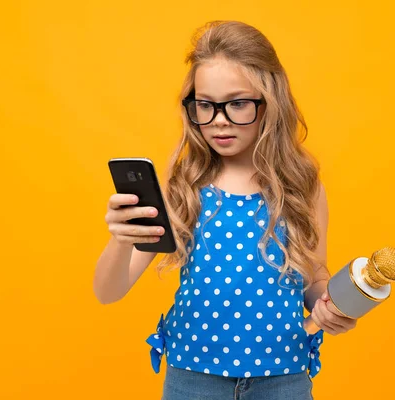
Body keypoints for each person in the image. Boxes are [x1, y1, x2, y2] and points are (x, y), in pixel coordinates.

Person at [94, 20, 357, 400]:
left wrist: (330, 306)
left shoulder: (303, 186)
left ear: (270, 101)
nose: (219, 120)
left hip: (283, 378)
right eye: (205, 105)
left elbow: (314, 278)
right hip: (193, 379)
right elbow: (108, 291)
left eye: (237, 103)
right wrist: (120, 241)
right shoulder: (183, 186)